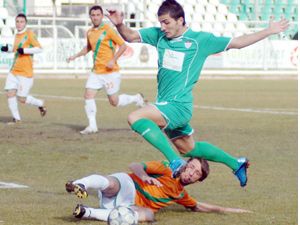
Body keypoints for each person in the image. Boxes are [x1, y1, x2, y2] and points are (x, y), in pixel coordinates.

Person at [105, 0, 289, 184]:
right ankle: (235, 163)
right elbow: (130, 36)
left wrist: (269, 31)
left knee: (134, 118)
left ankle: (175, 162)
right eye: (160, 22)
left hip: (178, 106)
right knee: (189, 149)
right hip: (165, 104)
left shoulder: (200, 40)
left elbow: (237, 43)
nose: (162, 27)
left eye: (166, 22)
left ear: (180, 20)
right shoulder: (159, 35)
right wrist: (119, 23)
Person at [65, 158, 251, 222]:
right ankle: (81, 184)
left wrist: (227, 210)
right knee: (113, 182)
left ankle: (86, 212)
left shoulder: (180, 194)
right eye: (191, 167)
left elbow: (198, 206)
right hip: (128, 185)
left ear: (199, 180)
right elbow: (136, 164)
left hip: (128, 205)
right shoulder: (166, 168)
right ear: (185, 166)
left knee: (147, 216)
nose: (190, 172)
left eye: (196, 173)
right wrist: (144, 176)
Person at [66, 5, 146, 135]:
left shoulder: (108, 29)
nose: (96, 17)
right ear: (90, 17)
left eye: (98, 15)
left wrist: (113, 60)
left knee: (114, 102)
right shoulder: (90, 32)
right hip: (96, 72)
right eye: (93, 15)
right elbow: (88, 47)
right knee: (88, 95)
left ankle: (136, 98)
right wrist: (75, 56)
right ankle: (92, 126)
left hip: (110, 72)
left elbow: (123, 46)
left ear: (102, 16)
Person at [0, 13, 46, 124]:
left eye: (21, 21)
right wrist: (8, 48)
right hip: (14, 70)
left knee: (22, 99)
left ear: (25, 23)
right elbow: (17, 49)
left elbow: (40, 49)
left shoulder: (29, 34)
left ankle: (40, 104)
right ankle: (17, 119)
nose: (19, 24)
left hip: (25, 73)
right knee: (10, 93)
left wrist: (25, 51)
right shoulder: (17, 35)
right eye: (17, 21)